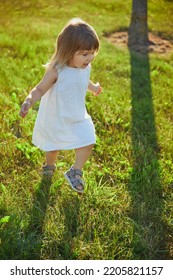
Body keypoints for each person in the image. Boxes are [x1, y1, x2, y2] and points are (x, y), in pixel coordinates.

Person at [19, 18, 102, 193]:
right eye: (85, 54)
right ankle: (49, 166)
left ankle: (75, 171)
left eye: (93, 52)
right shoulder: (57, 70)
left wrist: (94, 88)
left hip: (77, 115)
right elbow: (40, 89)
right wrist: (29, 100)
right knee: (53, 146)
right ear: (68, 51)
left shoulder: (85, 67)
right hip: (56, 116)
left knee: (88, 140)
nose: (91, 57)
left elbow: (84, 80)